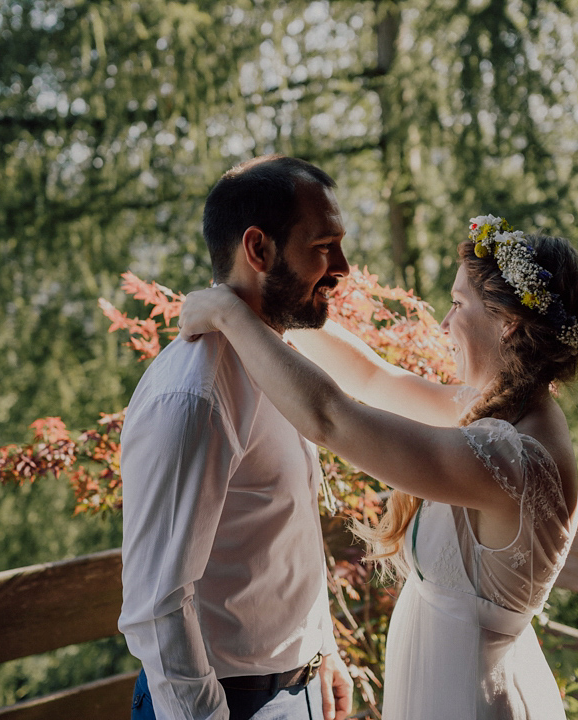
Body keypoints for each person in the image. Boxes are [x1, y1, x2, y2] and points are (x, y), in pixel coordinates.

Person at [177, 214, 578, 719]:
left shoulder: (514, 458)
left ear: (508, 321)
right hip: (449, 684)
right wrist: (274, 300)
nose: (445, 324)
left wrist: (232, 316)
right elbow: (373, 378)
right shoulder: (505, 412)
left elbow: (330, 419)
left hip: (471, 701)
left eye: (457, 304)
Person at [118, 155, 354, 720]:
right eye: (324, 245)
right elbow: (156, 605)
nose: (343, 267)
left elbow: (284, 532)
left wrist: (321, 647)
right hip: (220, 700)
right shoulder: (193, 396)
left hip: (297, 690)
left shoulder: (280, 365)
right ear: (259, 249)